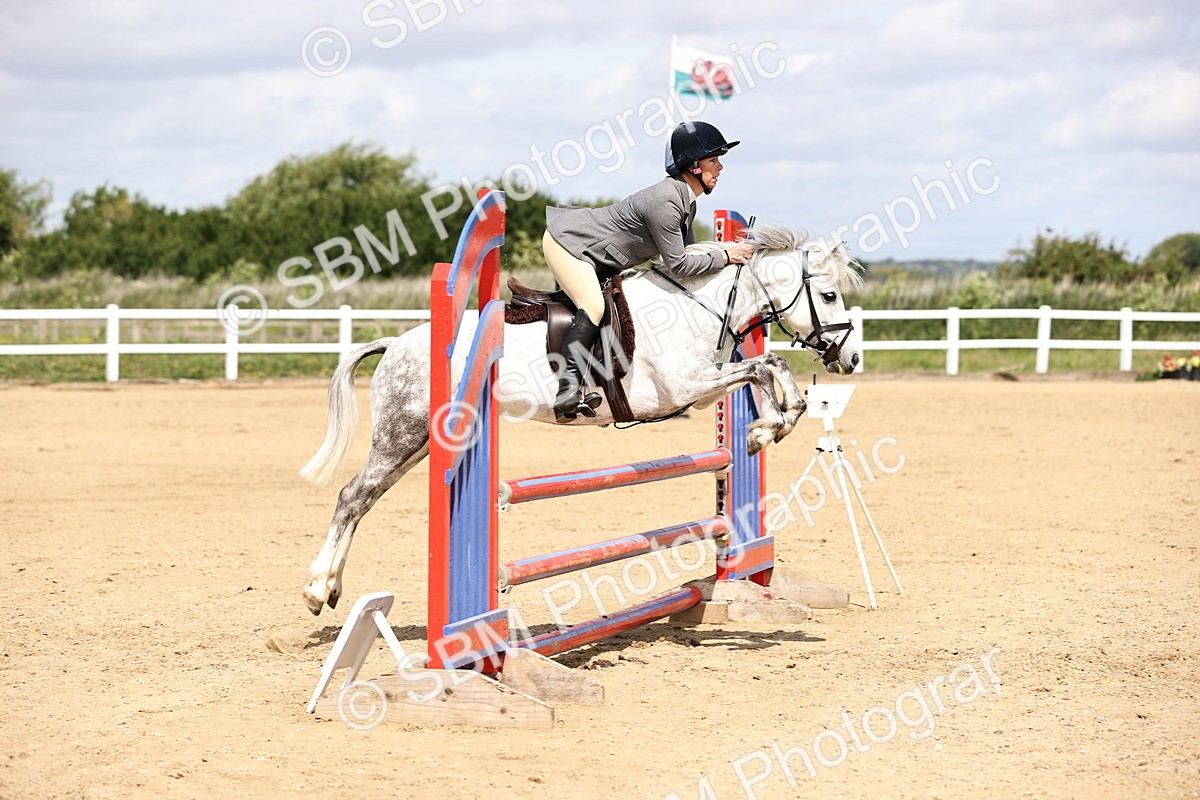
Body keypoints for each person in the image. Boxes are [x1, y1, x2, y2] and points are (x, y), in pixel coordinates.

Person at [542, 120, 754, 422]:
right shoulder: (666, 201)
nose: (720, 167)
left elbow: (690, 262)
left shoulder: (685, 203)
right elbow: (679, 265)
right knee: (593, 304)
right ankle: (567, 388)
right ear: (694, 166)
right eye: (713, 160)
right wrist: (725, 255)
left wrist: (730, 254)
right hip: (569, 243)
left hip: (598, 254)